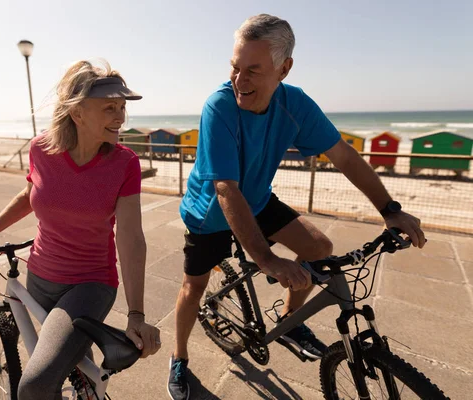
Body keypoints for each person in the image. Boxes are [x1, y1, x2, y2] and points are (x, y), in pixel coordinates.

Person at [167, 14, 426, 400]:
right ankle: (178, 358)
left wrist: (390, 209)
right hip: (211, 212)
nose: (239, 81)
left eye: (253, 70)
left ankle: (289, 322)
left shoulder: (296, 104)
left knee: (319, 248)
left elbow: (344, 156)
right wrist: (268, 259)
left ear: (284, 68)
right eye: (235, 68)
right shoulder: (219, 107)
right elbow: (225, 189)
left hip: (255, 199)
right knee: (194, 287)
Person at [0, 59, 161, 400]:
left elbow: (131, 237)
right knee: (72, 370)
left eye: (121, 108)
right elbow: (30, 194)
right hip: (39, 278)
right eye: (109, 108)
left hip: (89, 283)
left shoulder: (124, 163)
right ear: (77, 113)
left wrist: (136, 314)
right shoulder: (41, 149)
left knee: (36, 386)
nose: (120, 118)